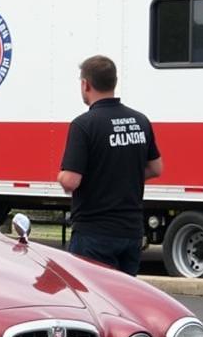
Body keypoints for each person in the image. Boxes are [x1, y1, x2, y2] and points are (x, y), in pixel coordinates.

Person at [57, 54, 162, 275]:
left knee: (92, 301)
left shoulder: (83, 125)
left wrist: (61, 177)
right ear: (113, 82)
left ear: (86, 84)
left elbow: (71, 180)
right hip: (131, 232)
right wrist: (123, 175)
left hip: (94, 233)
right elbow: (156, 168)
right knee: (123, 302)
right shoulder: (140, 121)